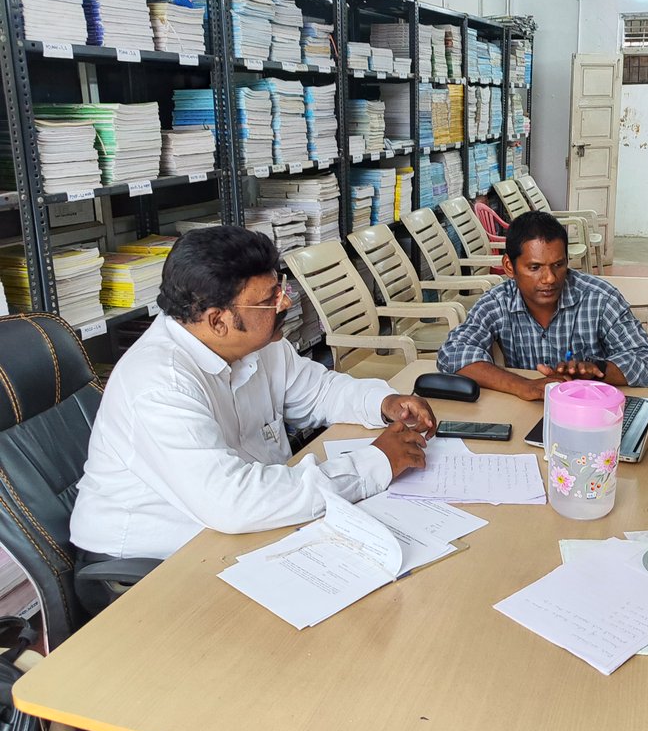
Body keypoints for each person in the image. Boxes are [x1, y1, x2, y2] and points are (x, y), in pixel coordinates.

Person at [71, 226, 435, 565]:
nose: (285, 304)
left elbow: (319, 390)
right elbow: (234, 501)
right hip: (149, 560)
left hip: (230, 528)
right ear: (218, 321)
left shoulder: (255, 343)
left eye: (281, 289)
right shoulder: (159, 384)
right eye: (269, 300)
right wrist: (375, 463)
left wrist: (383, 403)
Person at [437, 210, 648, 401]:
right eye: (535, 267)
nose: (550, 278)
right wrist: (524, 386)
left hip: (591, 412)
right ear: (509, 266)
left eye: (558, 265)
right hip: (528, 414)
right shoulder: (498, 302)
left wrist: (598, 371)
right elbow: (453, 354)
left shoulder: (600, 298)